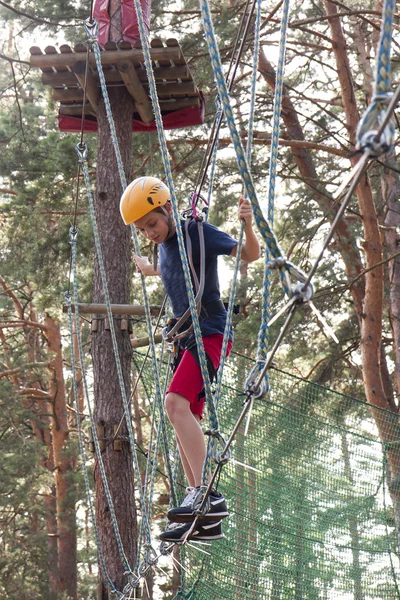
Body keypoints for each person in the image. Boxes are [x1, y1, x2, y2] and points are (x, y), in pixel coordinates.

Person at [120, 176, 261, 542]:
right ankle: (205, 515)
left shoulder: (197, 234)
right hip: (187, 339)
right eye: (142, 229)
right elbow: (166, 270)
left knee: (174, 404)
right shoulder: (163, 249)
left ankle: (205, 495)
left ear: (167, 209)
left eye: (152, 223)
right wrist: (147, 269)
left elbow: (250, 255)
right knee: (185, 415)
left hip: (210, 331)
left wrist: (248, 225)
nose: (149, 232)